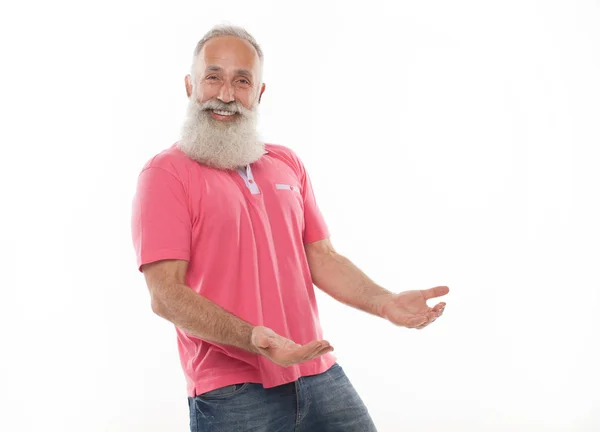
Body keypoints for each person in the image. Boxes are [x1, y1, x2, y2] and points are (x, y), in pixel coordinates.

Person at [131, 24, 449, 432]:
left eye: (242, 81)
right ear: (190, 84)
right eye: (213, 77)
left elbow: (322, 256)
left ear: (259, 93)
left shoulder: (286, 163)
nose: (226, 95)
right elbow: (166, 295)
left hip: (318, 371)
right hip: (231, 392)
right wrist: (253, 339)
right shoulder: (166, 173)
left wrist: (384, 302)